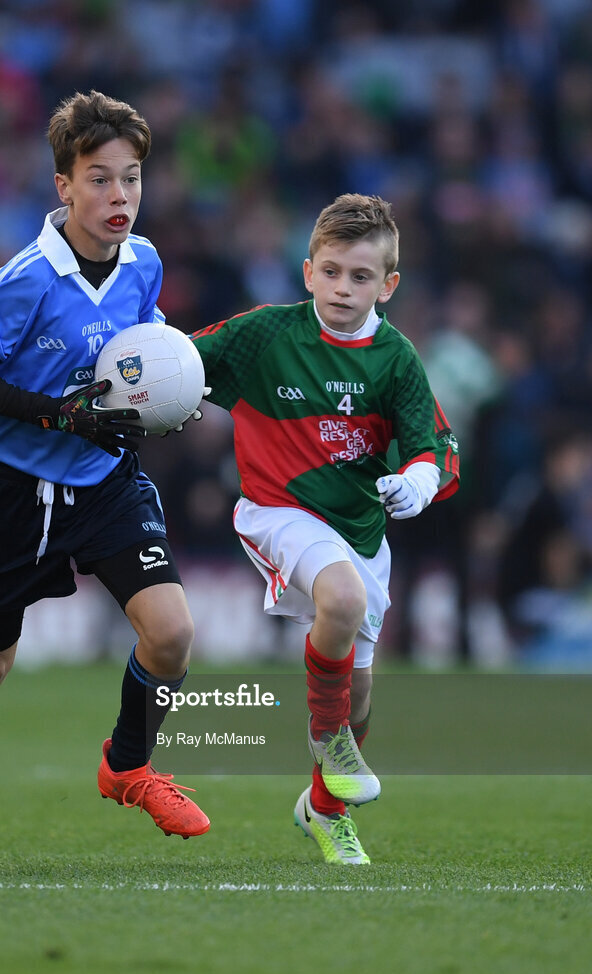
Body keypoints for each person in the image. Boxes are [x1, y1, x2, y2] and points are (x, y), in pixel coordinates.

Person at [0, 90, 210, 868]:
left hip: (104, 481)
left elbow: (137, 352)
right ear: (64, 185)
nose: (119, 196)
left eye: (131, 179)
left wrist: (163, 394)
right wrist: (61, 415)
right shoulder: (25, 279)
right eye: (99, 179)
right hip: (12, 489)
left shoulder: (143, 261)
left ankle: (128, 767)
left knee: (172, 634)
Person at [190, 194, 459, 864]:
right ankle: (328, 739)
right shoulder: (264, 333)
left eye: (360, 276)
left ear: (387, 285)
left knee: (360, 695)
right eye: (331, 272)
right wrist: (146, 391)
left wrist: (419, 479)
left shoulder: (396, 358)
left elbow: (433, 445)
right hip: (277, 509)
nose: (343, 288)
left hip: (360, 531)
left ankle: (324, 807)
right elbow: (178, 362)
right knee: (342, 600)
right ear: (308, 272)